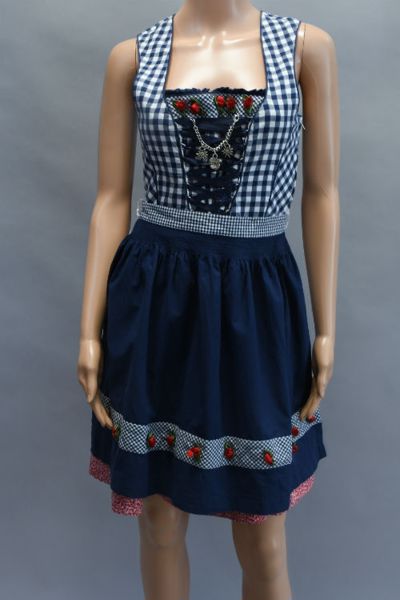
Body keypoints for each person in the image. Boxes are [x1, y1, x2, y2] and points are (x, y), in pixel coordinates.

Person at [77, 2, 340, 599]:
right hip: (155, 302)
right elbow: (112, 198)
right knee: (159, 518)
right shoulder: (132, 58)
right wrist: (89, 330)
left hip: (257, 304)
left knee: (263, 533)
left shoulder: (305, 50)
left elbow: (323, 192)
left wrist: (326, 329)